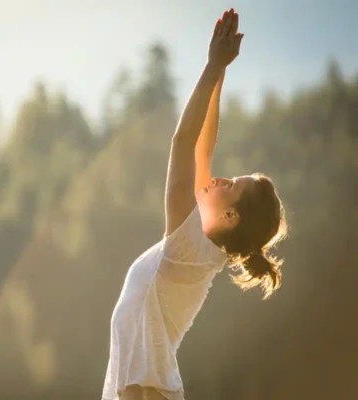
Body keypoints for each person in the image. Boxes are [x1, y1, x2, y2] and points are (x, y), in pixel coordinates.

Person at [102, 8, 288, 400]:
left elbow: (184, 143)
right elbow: (203, 149)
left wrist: (211, 68)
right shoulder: (201, 244)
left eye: (230, 184)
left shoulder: (190, 249)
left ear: (231, 215)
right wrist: (219, 73)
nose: (219, 178)